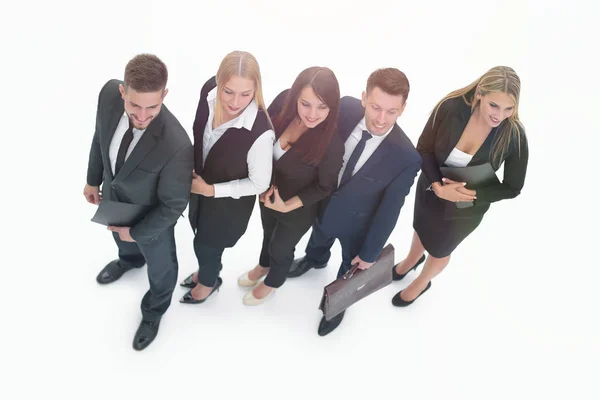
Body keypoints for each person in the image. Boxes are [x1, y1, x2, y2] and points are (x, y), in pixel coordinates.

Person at [287, 68, 422, 336]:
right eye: (375, 107)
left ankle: (336, 307)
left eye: (392, 111)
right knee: (319, 235)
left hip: (358, 223)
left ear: (403, 108)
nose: (381, 119)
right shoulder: (344, 109)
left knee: (350, 267)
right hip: (323, 203)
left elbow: (391, 209)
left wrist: (371, 252)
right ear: (363, 98)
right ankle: (314, 259)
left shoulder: (407, 157)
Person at [389, 66, 528, 307]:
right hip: (431, 187)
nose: (499, 115)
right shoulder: (451, 107)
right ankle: (412, 259)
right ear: (479, 94)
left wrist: (471, 195)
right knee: (421, 227)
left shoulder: (514, 135)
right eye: (494, 105)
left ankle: (422, 282)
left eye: (509, 108)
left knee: (441, 249)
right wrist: (439, 188)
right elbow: (424, 149)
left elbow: (513, 187)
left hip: (465, 209)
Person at [84, 54, 194, 351]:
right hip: (116, 200)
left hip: (152, 217)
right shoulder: (108, 94)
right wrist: (94, 179)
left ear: (165, 95)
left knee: (161, 269)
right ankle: (129, 260)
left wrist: (136, 232)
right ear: (123, 91)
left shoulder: (177, 145)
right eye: (134, 105)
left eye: (152, 107)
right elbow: (101, 136)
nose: (143, 116)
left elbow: (173, 206)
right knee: (122, 242)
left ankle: (154, 311)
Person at [238, 67, 344, 305]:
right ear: (295, 96)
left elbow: (324, 187)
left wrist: (287, 207)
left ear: (332, 107)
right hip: (267, 195)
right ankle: (263, 266)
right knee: (267, 234)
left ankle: (273, 281)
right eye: (305, 104)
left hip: (297, 209)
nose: (313, 114)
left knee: (281, 247)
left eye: (322, 107)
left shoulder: (332, 145)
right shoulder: (282, 105)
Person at [179, 50, 275, 304]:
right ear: (219, 83)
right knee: (200, 236)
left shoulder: (260, 132)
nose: (235, 102)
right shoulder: (208, 92)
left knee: (207, 245)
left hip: (227, 206)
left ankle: (208, 282)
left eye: (246, 94)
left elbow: (259, 183)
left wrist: (211, 190)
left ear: (257, 89)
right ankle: (207, 271)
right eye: (228, 91)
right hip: (198, 190)